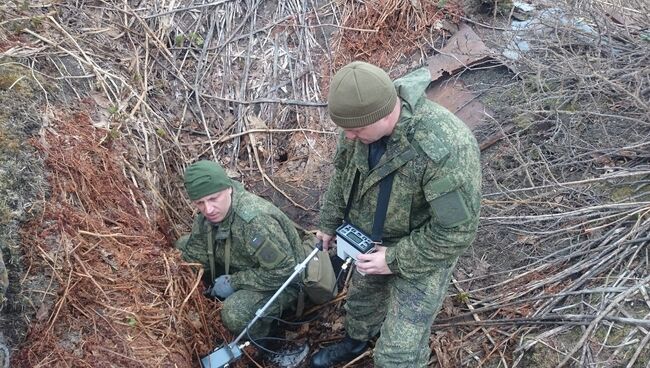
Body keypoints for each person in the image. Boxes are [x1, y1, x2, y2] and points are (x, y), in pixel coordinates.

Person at [310, 61, 482, 368]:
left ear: (383, 113)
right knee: (361, 305)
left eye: (356, 130)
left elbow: (455, 232)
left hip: (424, 252)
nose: (348, 137)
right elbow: (342, 177)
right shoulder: (357, 126)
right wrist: (328, 222)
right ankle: (355, 342)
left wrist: (392, 259)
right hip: (370, 240)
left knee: (397, 355)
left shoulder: (444, 148)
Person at [176, 160, 308, 344]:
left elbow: (285, 272)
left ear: (228, 189)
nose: (208, 209)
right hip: (244, 265)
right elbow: (195, 254)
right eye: (200, 203)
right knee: (182, 246)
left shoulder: (253, 221)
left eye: (214, 198)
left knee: (234, 312)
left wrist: (235, 282)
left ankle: (266, 339)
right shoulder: (207, 217)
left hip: (282, 284)